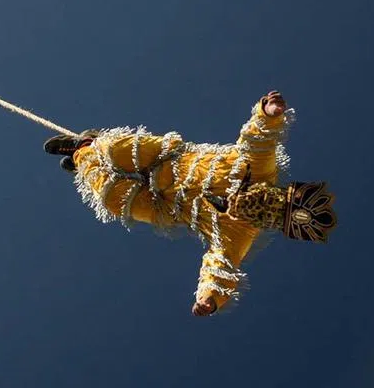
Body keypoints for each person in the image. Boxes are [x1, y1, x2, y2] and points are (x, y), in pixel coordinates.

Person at [43, 91, 336, 316]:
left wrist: (209, 297)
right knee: (118, 148)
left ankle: (83, 159)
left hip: (166, 205)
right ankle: (92, 146)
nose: (239, 204)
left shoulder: (240, 234)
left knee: (114, 199)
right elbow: (260, 141)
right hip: (169, 159)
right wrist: (269, 114)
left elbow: (222, 265)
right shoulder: (259, 169)